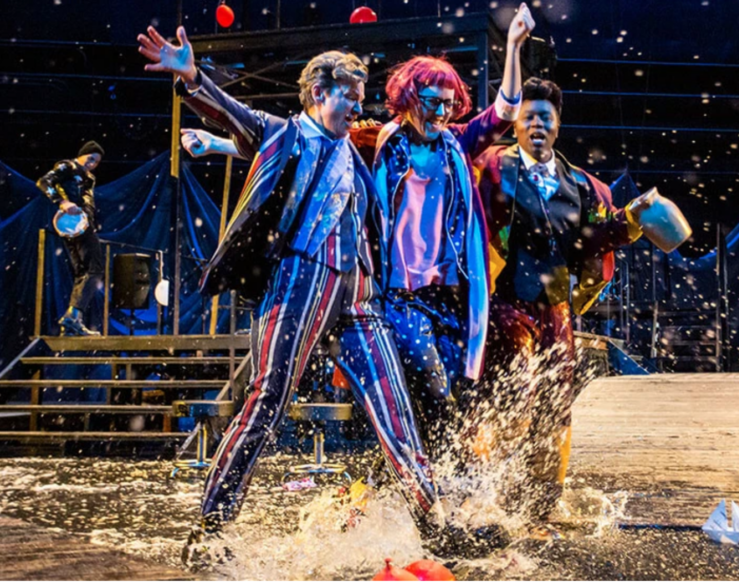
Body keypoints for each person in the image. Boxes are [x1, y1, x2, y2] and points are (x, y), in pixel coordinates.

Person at [137, 26, 442, 563]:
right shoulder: (287, 134)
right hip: (299, 283)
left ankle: (438, 523)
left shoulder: (357, 150)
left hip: (358, 295)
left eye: (360, 91)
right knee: (266, 401)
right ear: (318, 92)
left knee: (395, 412)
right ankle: (210, 530)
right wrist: (191, 77)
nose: (357, 101)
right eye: (348, 91)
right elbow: (236, 116)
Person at [472, 77, 654, 522]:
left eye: (545, 117)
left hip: (556, 308)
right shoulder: (492, 167)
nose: (536, 124)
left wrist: (631, 219)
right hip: (506, 302)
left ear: (558, 124)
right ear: (515, 122)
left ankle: (540, 507)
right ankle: (486, 499)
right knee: (509, 400)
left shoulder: (578, 183)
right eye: (528, 116)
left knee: (555, 405)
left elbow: (590, 239)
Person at [368, 3, 534, 459]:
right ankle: (435, 485)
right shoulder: (381, 142)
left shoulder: (455, 144)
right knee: (434, 388)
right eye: (431, 102)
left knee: (458, 393)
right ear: (409, 97)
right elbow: (311, 145)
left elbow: (503, 112)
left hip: (451, 294)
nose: (440, 112)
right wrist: (227, 144)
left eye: (447, 103)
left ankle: (414, 484)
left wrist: (515, 45)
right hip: (400, 294)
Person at [36, 141, 105, 336]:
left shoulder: (88, 177)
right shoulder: (68, 166)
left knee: (84, 271)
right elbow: (43, 181)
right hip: (73, 223)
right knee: (95, 269)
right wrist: (61, 202)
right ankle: (73, 314)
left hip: (83, 224)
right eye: (90, 158)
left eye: (96, 162)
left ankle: (73, 320)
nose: (92, 163)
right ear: (81, 155)